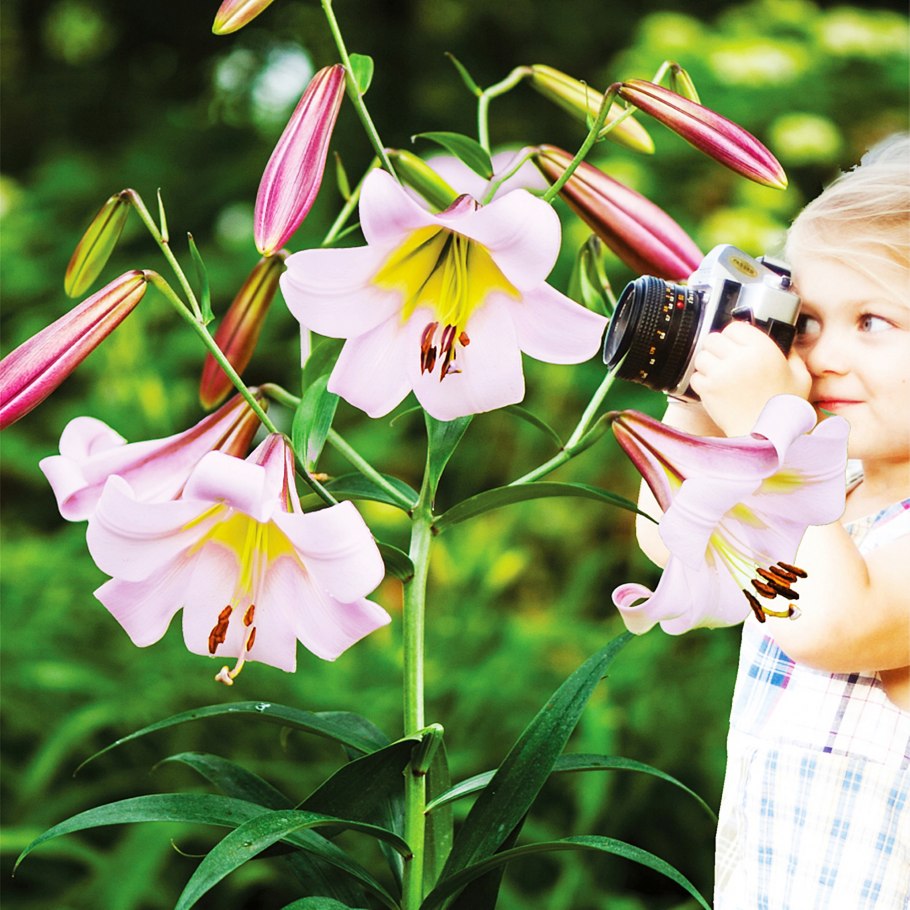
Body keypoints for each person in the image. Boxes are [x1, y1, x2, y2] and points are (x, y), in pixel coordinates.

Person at [636, 134, 910, 907]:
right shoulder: (838, 484)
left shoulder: (822, 492)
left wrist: (768, 417)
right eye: (811, 320)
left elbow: (830, 621)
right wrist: (695, 399)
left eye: (874, 322)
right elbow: (668, 542)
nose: (822, 355)